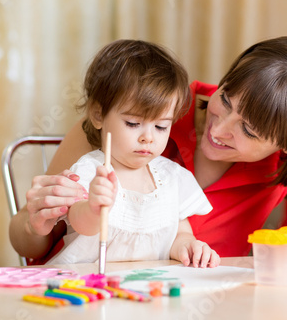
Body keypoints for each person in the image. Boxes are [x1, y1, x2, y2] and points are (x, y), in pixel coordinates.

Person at [9, 36, 287, 270]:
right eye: (226, 99)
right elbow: (28, 243)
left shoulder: (285, 165)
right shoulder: (150, 109)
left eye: (249, 130)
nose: (219, 129)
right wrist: (35, 221)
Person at [44, 39, 220, 267]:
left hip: (148, 286)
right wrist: (93, 209)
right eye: (133, 123)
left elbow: (180, 234)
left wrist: (189, 245)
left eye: (161, 126)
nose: (148, 137)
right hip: (88, 282)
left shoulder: (172, 177)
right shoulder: (91, 169)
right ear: (98, 115)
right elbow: (81, 224)